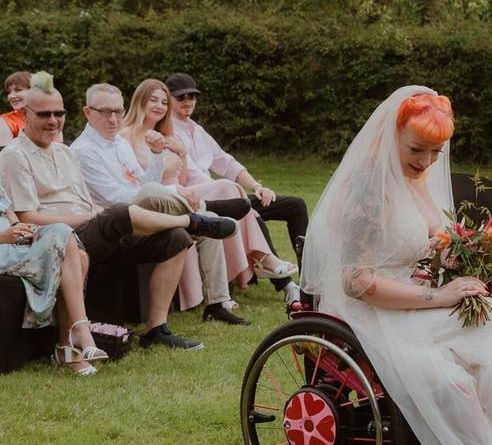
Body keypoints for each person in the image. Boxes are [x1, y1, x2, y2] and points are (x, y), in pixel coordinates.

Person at [300, 86, 492, 445]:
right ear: (391, 137)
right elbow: (356, 281)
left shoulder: (417, 178)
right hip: (375, 311)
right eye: (416, 150)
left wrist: (479, 265)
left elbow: (426, 245)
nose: (425, 162)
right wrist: (439, 295)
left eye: (435, 153)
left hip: (415, 293)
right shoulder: (367, 190)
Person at [0, 73, 236, 351]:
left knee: (176, 239)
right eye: (44, 114)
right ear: (25, 115)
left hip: (96, 224)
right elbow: (28, 218)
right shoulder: (15, 156)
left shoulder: (64, 153)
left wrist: (98, 213)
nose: (53, 120)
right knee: (120, 213)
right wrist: (93, 217)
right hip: (60, 237)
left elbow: (108, 194)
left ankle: (157, 329)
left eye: (58, 113)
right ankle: (194, 219)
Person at [72, 82, 249, 325]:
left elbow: (143, 181)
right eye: (105, 112)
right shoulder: (83, 150)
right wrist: (171, 190)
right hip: (118, 222)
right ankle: (205, 212)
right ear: (87, 112)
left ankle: (217, 303)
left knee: (203, 223)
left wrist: (156, 156)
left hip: (146, 209)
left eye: (118, 112)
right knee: (190, 210)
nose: (113, 119)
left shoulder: (118, 144)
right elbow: (119, 198)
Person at [123, 78, 296, 297]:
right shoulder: (128, 136)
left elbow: (213, 164)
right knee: (231, 194)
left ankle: (277, 273)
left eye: (163, 102)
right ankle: (263, 260)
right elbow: (146, 182)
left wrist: (181, 153)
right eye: (154, 100)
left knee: (255, 202)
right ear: (139, 102)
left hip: (187, 193)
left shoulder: (175, 134)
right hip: (169, 197)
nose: (160, 106)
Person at [166, 73, 305, 307]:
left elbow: (226, 162)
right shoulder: (167, 132)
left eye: (192, 96)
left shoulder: (197, 130)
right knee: (240, 202)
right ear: (168, 99)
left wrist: (257, 186)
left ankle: (309, 279)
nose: (188, 101)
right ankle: (286, 284)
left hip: (227, 195)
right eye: (181, 97)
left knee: (295, 205)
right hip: (198, 200)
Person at [0, 181, 108, 375]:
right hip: (3, 247)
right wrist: (2, 237)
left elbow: (6, 208)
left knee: (68, 239)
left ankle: (71, 341)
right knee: (69, 247)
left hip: (15, 240)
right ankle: (73, 342)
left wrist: (18, 226)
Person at [0, 71, 31, 146]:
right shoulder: (4, 122)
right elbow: (6, 156)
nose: (11, 96)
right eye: (9, 92)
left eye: (18, 90)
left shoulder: (49, 118)